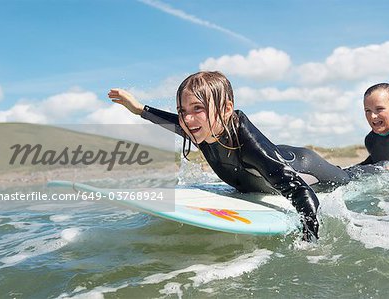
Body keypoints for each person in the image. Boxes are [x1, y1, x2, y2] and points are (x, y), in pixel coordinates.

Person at [109, 71, 346, 241]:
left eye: (197, 109)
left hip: (307, 167)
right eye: (183, 111)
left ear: (226, 109)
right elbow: (174, 123)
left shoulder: (248, 146)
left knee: (350, 177)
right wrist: (140, 109)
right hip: (277, 155)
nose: (187, 119)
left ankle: (377, 166)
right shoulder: (202, 129)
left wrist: (310, 239)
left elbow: (299, 190)